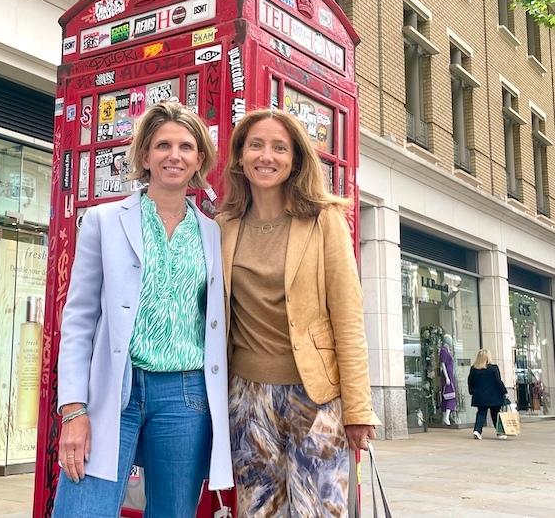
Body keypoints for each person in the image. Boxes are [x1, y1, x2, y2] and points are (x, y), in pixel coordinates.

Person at [53, 102, 233, 517]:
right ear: (146, 156)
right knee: (83, 509)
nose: (174, 155)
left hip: (186, 395)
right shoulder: (103, 220)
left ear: (199, 159)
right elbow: (79, 319)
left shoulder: (213, 233)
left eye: (186, 147)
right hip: (116, 388)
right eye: (163, 145)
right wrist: (73, 408)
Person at [218, 108, 380, 516]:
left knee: (320, 510)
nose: (266, 156)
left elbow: (348, 318)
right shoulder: (224, 225)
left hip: (316, 397)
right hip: (245, 396)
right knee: (257, 509)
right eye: (255, 145)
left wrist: (358, 409)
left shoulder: (324, 220)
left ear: (295, 160)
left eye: (279, 148)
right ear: (240, 156)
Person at [468, 348, 508, 440]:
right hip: (494, 396)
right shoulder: (493, 368)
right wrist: (504, 392)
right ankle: (500, 433)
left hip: (480, 396)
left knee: (481, 413)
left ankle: (477, 431)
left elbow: (470, 381)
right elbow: (498, 381)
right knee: (495, 414)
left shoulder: (474, 369)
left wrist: (472, 391)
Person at [439, 334, 457, 425]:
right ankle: (446, 417)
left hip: (450, 374)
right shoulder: (444, 350)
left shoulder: (447, 350)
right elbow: (443, 364)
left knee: (448, 395)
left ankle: (445, 417)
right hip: (448, 375)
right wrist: (447, 377)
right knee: (451, 395)